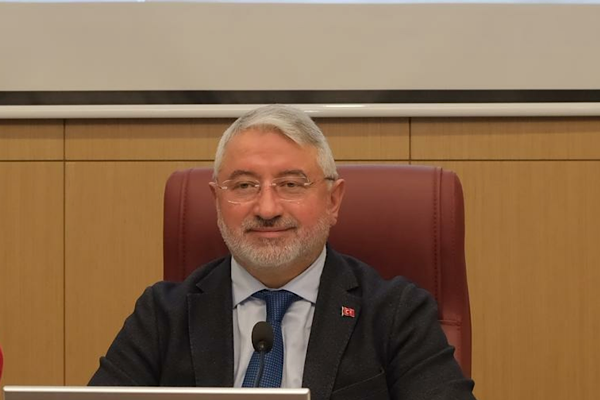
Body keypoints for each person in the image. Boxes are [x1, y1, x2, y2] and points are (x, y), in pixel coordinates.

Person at [89, 105, 476, 400]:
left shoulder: (395, 314)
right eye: (244, 186)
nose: (267, 208)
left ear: (333, 200)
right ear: (216, 200)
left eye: (291, 184)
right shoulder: (163, 315)